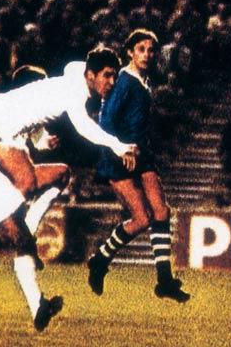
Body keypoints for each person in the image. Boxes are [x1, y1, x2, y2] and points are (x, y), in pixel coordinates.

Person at [0, 49, 137, 330]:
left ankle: (38, 304)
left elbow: (70, 69)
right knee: (25, 183)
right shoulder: (28, 107)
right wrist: (119, 145)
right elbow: (84, 127)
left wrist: (44, 143)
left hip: (7, 191)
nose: (110, 82)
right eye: (107, 76)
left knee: (32, 227)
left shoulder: (26, 117)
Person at [87, 29, 190, 303]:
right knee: (142, 218)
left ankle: (164, 281)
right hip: (117, 155)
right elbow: (106, 120)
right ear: (130, 52)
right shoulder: (124, 81)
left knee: (161, 211)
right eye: (141, 49)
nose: (147, 54)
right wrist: (121, 148)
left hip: (141, 153)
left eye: (151, 50)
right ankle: (100, 259)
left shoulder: (144, 81)